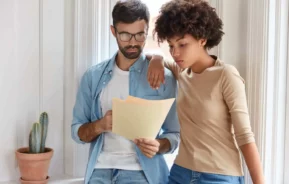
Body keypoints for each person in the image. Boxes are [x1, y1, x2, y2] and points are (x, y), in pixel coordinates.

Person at [147, 0, 264, 183]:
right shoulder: (182, 71)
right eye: (170, 45)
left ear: (202, 40)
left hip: (219, 176)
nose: (175, 53)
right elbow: (152, 56)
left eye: (182, 44)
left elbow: (245, 137)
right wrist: (156, 58)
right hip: (180, 173)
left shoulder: (226, 75)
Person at [71, 0, 180, 184]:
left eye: (139, 35)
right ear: (113, 31)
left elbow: (174, 134)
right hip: (100, 170)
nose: (133, 43)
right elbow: (77, 131)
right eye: (125, 35)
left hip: (141, 171)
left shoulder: (164, 78)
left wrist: (158, 145)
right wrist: (100, 125)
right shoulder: (93, 76)